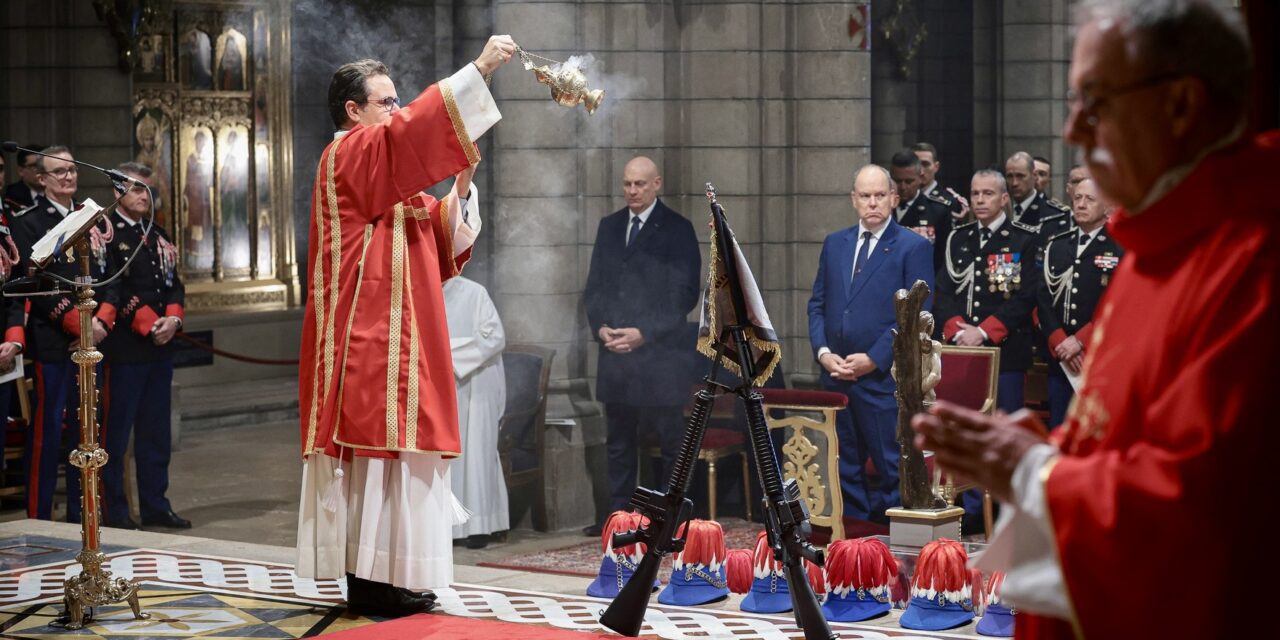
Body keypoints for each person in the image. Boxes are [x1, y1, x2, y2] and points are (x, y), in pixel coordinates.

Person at [914, 1, 1277, 638]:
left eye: (1096, 100)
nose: (1074, 127)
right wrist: (1047, 451)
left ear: (1182, 105)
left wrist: (1033, 471)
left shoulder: (1253, 253)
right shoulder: (1155, 241)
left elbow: (1202, 505)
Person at [295, 37, 515, 618]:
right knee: (374, 466)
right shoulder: (347, 156)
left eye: (396, 101)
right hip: (366, 339)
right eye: (386, 101)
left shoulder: (385, 174)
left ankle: (395, 577)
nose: (396, 110)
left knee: (404, 468)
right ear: (354, 111)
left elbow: (437, 243)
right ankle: (368, 582)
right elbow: (411, 132)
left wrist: (460, 187)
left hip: (405, 336)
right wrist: (481, 71)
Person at [807, 164, 934, 522]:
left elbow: (915, 314)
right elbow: (818, 304)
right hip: (836, 372)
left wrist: (875, 358)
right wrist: (824, 353)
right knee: (844, 464)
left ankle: (895, 546)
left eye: (880, 195)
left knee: (891, 463)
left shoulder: (913, 246)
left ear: (894, 198)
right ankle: (855, 544)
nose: (873, 203)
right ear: (854, 200)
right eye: (865, 196)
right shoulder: (836, 243)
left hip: (884, 378)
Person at [582, 156, 701, 536]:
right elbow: (595, 287)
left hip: (660, 356)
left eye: (639, 184)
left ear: (656, 184)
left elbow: (684, 296)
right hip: (615, 353)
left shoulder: (678, 229)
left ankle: (668, 519)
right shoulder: (610, 226)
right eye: (627, 184)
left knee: (670, 445)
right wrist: (601, 328)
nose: (632, 191)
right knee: (618, 443)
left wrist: (643, 333)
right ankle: (619, 518)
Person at [9, 146, 118, 522]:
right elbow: (35, 285)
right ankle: (39, 517)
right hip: (57, 342)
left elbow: (111, 276)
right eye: (59, 172)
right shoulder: (27, 222)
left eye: (72, 170)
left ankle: (84, 514)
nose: (69, 177)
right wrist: (79, 326)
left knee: (89, 431)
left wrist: (101, 322)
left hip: (94, 340)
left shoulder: (93, 218)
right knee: (49, 432)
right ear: (42, 179)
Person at [98, 162, 189, 530]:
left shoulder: (158, 233)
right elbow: (112, 288)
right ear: (118, 191)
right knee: (117, 437)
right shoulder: (105, 233)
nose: (143, 196)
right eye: (136, 189)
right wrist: (152, 324)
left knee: (156, 434)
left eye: (148, 190)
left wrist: (174, 319)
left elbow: (173, 284)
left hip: (159, 349)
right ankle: (116, 511)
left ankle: (156, 505)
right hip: (126, 349)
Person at [1035, 177, 1121, 428]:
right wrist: (1060, 341)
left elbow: (1116, 304)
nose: (1081, 204)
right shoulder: (1058, 245)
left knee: (1094, 430)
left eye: (1090, 199)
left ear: (1106, 206)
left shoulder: (1119, 247)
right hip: (1060, 358)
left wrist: (1079, 341)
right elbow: (1043, 298)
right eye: (1078, 198)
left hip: (1097, 356)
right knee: (1059, 428)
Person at [443, 275, 508, 550]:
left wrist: (447, 355)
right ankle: (449, 526)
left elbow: (494, 337)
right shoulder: (415, 289)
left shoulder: (474, 291)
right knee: (447, 459)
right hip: (439, 387)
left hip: (478, 385)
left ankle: (481, 525)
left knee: (478, 457)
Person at [888, 149, 953, 271]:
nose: (903, 187)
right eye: (897, 181)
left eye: (909, 181)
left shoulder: (937, 211)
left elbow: (944, 259)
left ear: (920, 178)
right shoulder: (883, 210)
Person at [1004, 151, 1069, 227]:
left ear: (1034, 176)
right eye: (1009, 176)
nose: (1014, 183)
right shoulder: (999, 210)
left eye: (1020, 176)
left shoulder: (1054, 214)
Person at [912, 142, 968, 222]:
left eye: (926, 164)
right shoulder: (902, 199)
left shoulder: (950, 201)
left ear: (936, 167)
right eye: (916, 165)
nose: (921, 172)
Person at [4, 145, 45, 211]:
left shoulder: (58, 191)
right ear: (20, 171)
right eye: (34, 166)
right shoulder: (11, 198)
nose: (40, 170)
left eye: (42, 165)